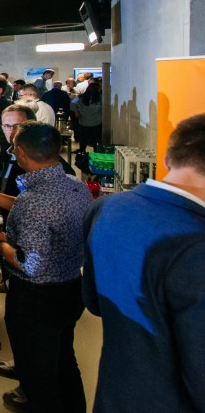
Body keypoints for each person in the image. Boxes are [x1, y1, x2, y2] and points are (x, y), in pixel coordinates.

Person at [83, 113, 205, 412]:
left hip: (115, 393)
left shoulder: (106, 207)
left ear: (166, 158)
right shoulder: (195, 244)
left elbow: (94, 302)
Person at [0, 122, 91, 412]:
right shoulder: (75, 185)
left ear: (21, 152)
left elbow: (30, 264)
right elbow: (36, 210)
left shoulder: (34, 202)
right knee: (64, 361)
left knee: (38, 377)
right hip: (71, 288)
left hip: (37, 299)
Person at [71, 81, 102, 153]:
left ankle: (82, 150)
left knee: (83, 138)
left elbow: (72, 103)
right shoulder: (99, 98)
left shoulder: (80, 96)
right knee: (96, 139)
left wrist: (76, 111)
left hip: (83, 121)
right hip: (96, 121)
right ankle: (96, 152)